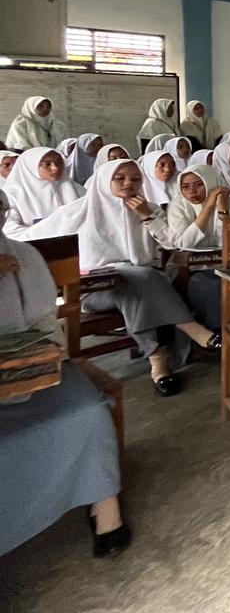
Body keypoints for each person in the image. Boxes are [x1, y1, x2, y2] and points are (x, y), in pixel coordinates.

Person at [0, 189, 131, 557]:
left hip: (36, 369)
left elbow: (44, 322)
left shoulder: (23, 256)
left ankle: (105, 510)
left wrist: (33, 357)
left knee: (88, 411)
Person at [22, 159, 218, 395]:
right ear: (106, 181)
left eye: (135, 179)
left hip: (140, 288)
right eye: (120, 178)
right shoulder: (77, 212)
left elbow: (170, 243)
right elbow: (29, 240)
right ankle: (192, 329)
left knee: (134, 286)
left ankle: (158, 362)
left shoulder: (149, 208)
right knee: (140, 278)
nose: (129, 184)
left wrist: (146, 216)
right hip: (93, 291)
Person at [163, 164, 230, 328]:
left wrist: (222, 209)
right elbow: (184, 244)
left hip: (229, 264)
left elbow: (229, 242)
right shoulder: (178, 206)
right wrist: (208, 207)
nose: (192, 192)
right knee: (214, 287)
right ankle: (217, 332)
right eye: (185, 187)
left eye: (199, 184)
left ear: (210, 183)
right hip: (189, 268)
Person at [2, 148, 85, 234]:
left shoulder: (72, 187)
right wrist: (54, 231)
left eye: (59, 163)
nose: (55, 168)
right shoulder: (10, 196)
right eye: (48, 164)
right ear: (30, 165)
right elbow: (10, 232)